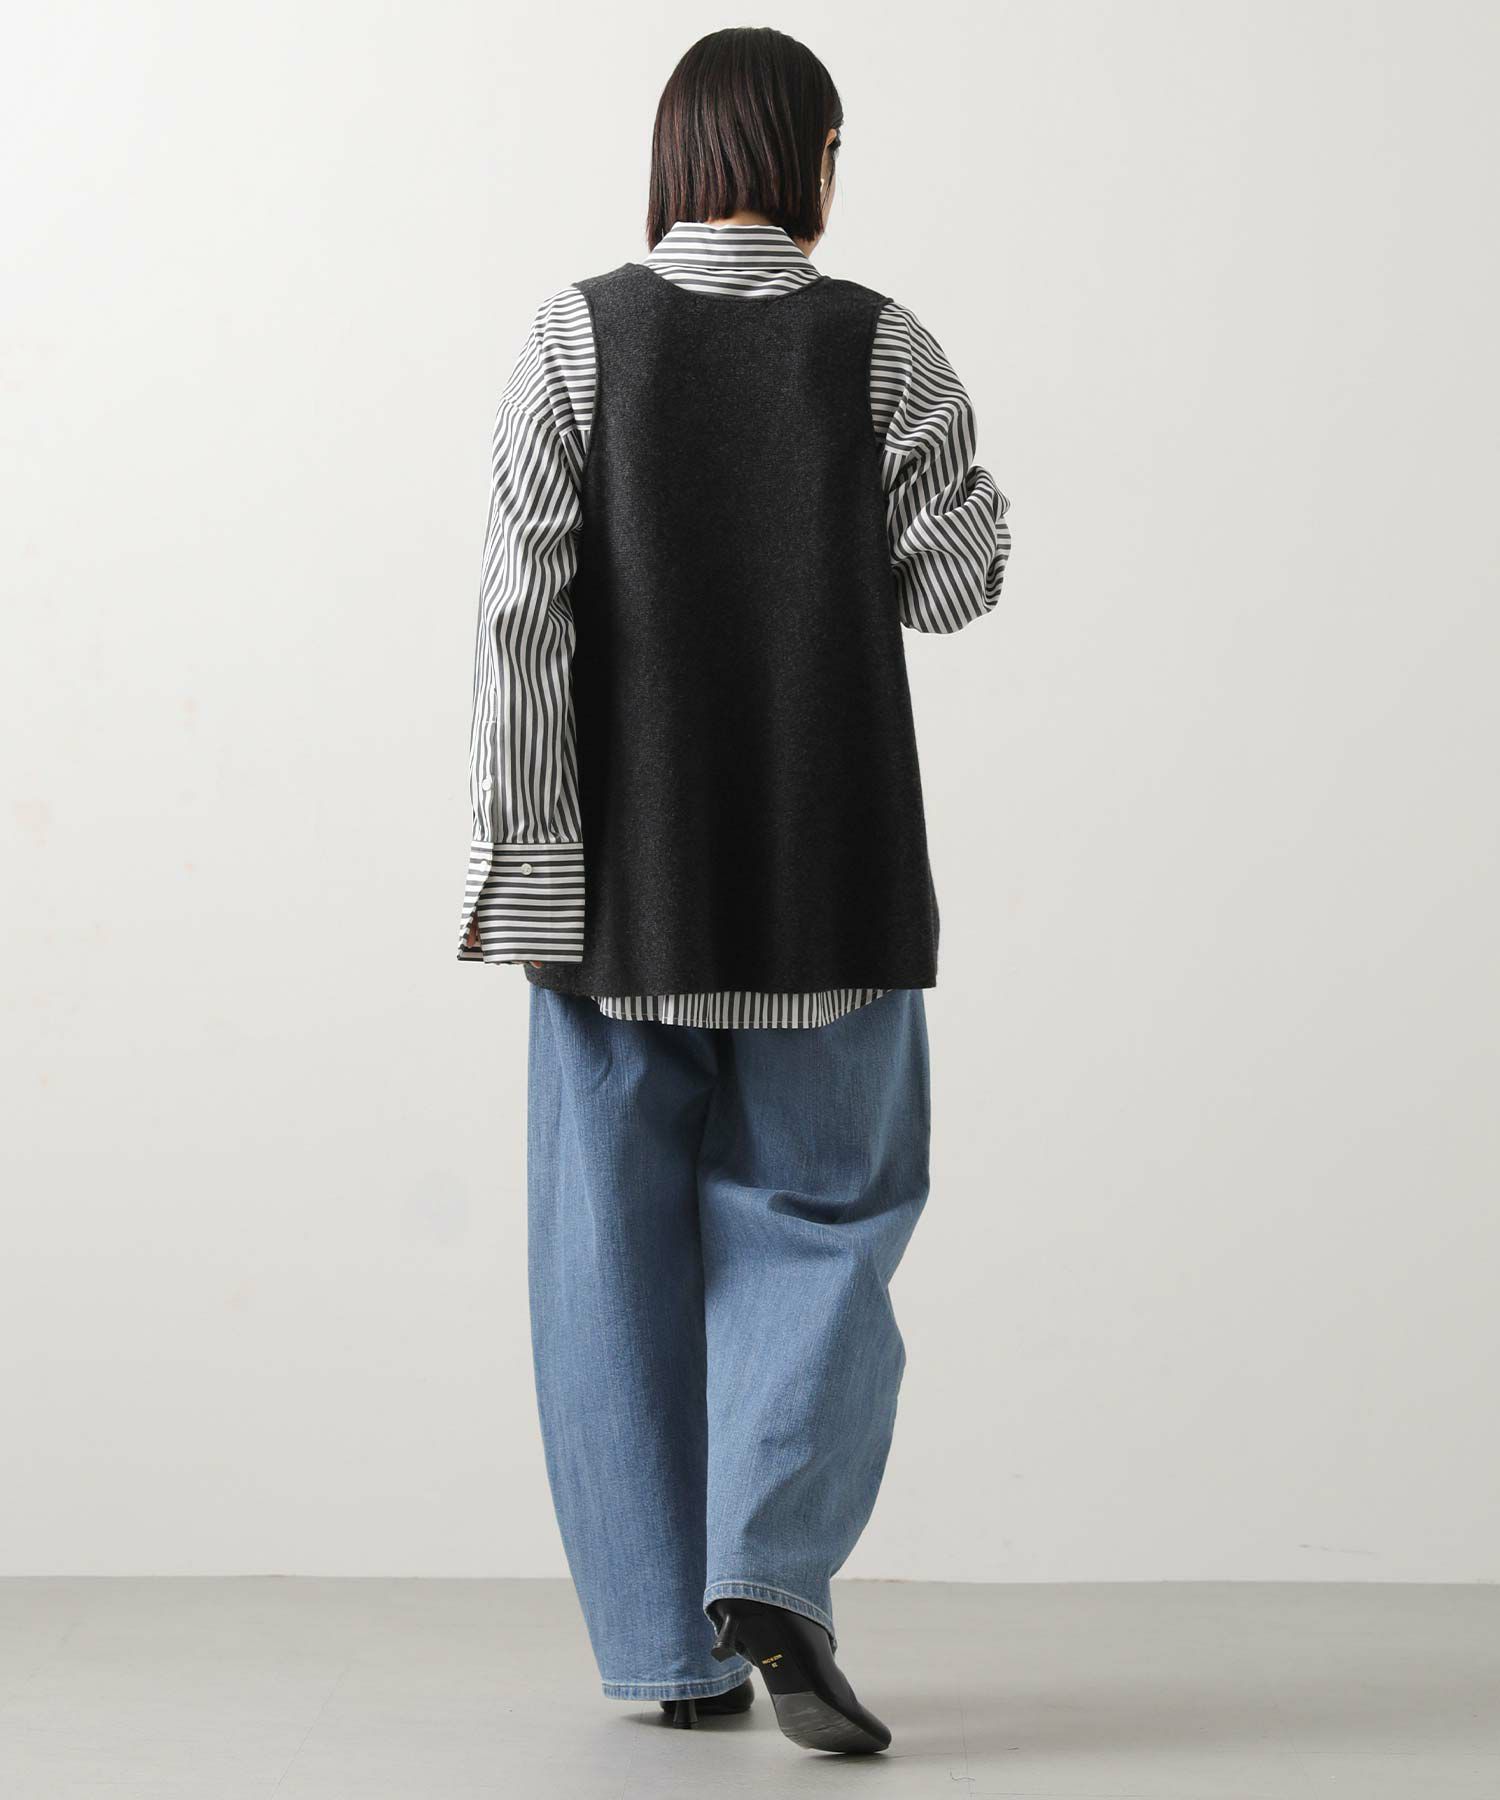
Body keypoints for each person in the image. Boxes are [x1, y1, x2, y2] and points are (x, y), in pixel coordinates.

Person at [456, 25, 1010, 1756]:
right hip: (835, 885)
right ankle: (769, 1565)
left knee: (606, 1259)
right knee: (825, 1219)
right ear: (815, 161)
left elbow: (520, 618)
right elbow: (954, 584)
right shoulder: (883, 346)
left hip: (625, 897)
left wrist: (531, 871)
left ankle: (662, 1652)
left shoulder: (575, 338)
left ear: (675, 157)